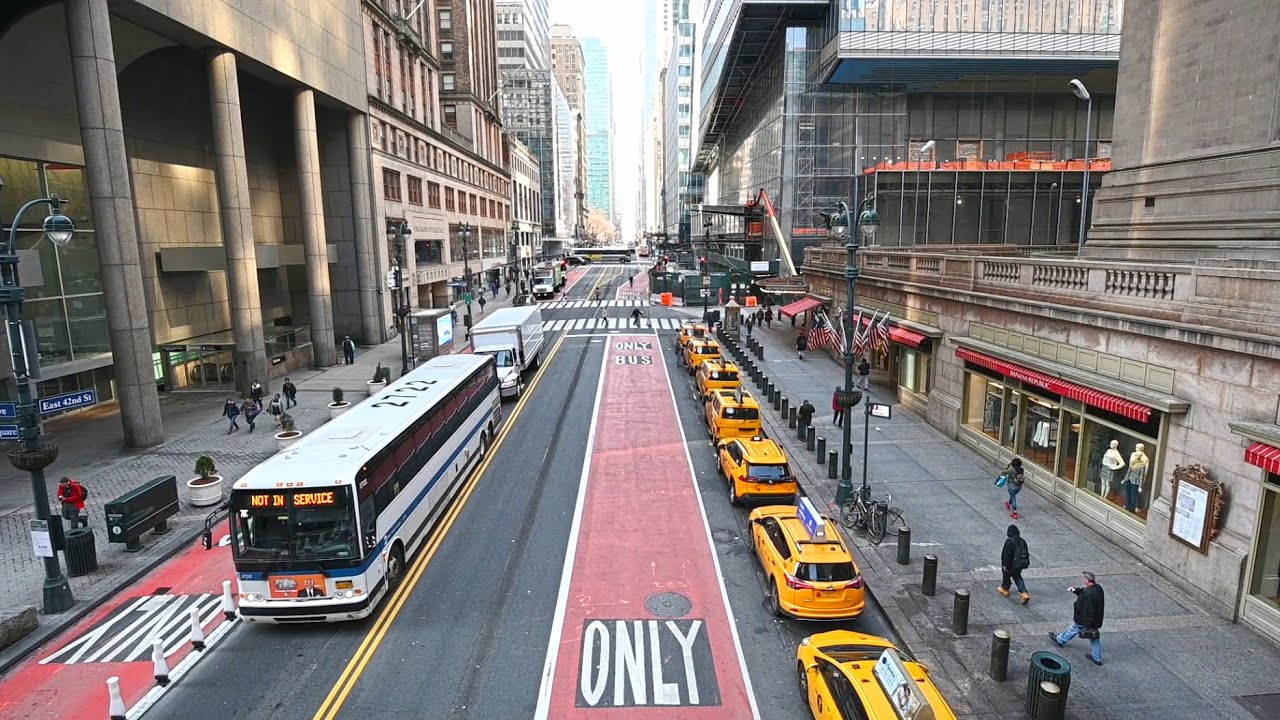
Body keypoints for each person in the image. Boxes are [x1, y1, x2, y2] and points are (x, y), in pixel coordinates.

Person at [1051, 571, 1105, 666]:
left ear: (1087, 580)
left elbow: (1087, 607)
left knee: (1074, 628)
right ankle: (1097, 657)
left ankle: (1060, 639)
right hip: (1096, 620)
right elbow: (1084, 593)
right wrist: (1076, 590)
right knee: (1094, 637)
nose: (1083, 580)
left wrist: (1086, 622)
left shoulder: (1088, 593)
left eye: (1084, 579)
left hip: (1085, 620)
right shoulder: (1098, 588)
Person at [998, 524, 1031, 604]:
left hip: (1011, 564)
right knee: (1017, 577)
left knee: (1006, 574)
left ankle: (1005, 589)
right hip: (1020, 564)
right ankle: (1024, 593)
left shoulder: (1009, 541)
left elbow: (1006, 554)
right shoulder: (1022, 541)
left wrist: (1005, 564)